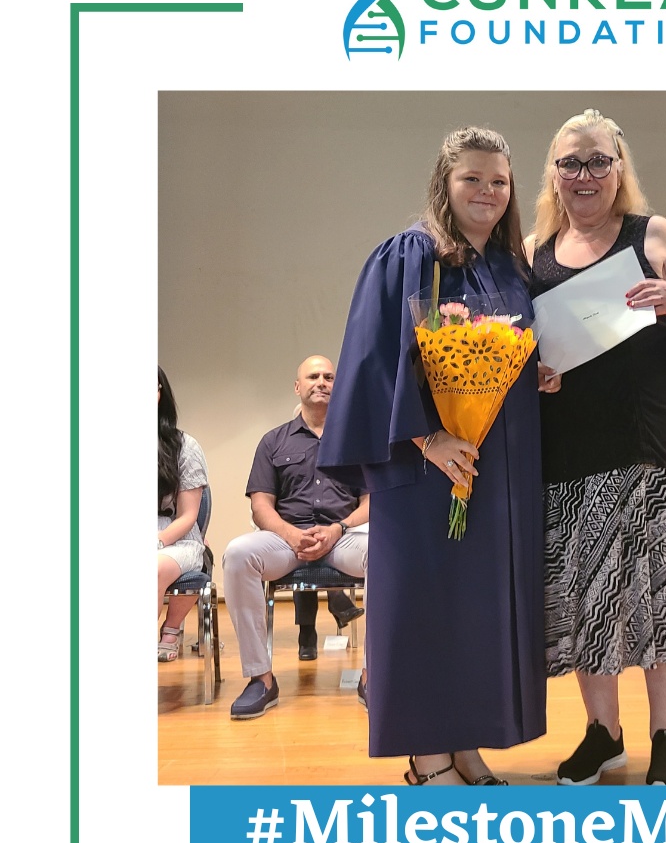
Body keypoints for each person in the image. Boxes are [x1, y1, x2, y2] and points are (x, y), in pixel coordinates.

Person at [318, 126, 546, 786]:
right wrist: (429, 438)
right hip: (424, 470)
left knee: (477, 611)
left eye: (499, 181)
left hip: (494, 468)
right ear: (445, 184)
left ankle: (465, 744)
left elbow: (503, 353)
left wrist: (537, 374)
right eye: (472, 178)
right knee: (425, 608)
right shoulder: (409, 256)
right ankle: (425, 756)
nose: (488, 192)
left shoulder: (508, 267)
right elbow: (372, 360)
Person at [527, 108, 666, 786]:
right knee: (590, 597)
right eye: (571, 163)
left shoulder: (654, 234)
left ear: (619, 169)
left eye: (597, 162)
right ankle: (602, 734)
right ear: (553, 175)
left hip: (661, 443)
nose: (585, 175)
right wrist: (536, 374)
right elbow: (522, 353)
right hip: (573, 449)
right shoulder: (532, 254)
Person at [222, 355, 370, 719]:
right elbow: (260, 506)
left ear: (339, 386)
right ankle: (261, 679)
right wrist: (290, 535)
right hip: (286, 542)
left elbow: (373, 502)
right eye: (313, 376)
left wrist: (337, 529)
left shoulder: (359, 440)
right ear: (298, 386)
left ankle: (373, 676)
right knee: (238, 553)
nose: (322, 382)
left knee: (387, 553)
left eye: (330, 376)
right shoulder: (273, 441)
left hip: (344, 535)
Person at [157, 367, 209, 661]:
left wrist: (158, 541)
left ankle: (171, 628)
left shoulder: (184, 446)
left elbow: (189, 515)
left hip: (175, 537)